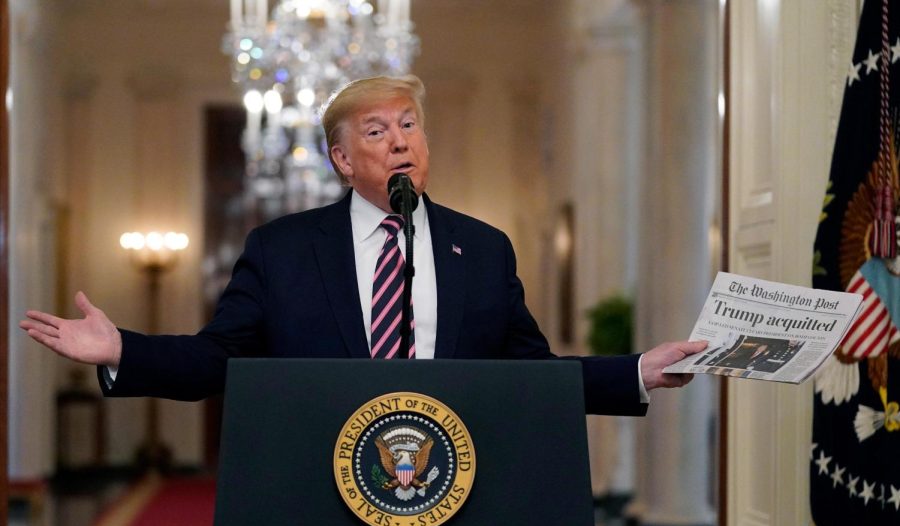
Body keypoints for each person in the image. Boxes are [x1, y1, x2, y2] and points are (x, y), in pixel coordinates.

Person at [19, 75, 705, 415]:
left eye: (409, 125)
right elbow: (217, 361)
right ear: (342, 160)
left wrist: (638, 370)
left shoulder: (484, 249)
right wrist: (121, 351)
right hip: (319, 488)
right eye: (376, 132)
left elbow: (527, 373)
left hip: (454, 488)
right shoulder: (281, 249)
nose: (400, 139)